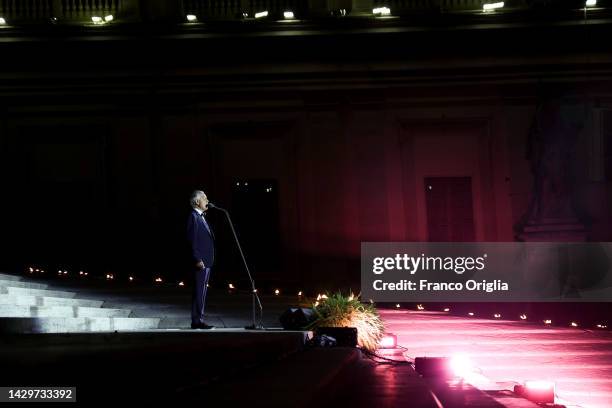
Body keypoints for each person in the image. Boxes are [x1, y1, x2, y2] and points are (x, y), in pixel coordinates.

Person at [187, 190, 215, 329]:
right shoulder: (193, 216)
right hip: (201, 261)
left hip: (207, 260)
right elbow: (192, 240)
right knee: (199, 291)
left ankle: (198, 319)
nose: (207, 200)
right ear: (197, 201)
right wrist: (197, 258)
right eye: (205, 198)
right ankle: (197, 320)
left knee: (202, 291)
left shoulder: (202, 217)